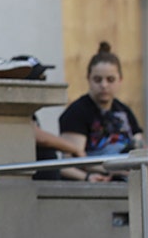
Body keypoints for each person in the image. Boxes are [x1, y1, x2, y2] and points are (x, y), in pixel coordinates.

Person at [58, 42, 145, 182]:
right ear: (88, 79)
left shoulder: (124, 111)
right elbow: (70, 163)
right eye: (98, 80)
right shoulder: (77, 112)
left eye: (110, 80)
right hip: (98, 184)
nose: (104, 85)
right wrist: (90, 176)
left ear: (120, 80)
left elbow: (140, 146)